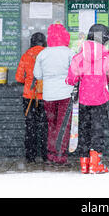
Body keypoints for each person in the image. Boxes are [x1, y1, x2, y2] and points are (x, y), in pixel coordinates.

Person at [66, 24, 109, 174]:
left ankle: (85, 164)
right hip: (100, 99)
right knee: (98, 130)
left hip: (83, 99)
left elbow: (71, 78)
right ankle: (96, 164)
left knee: (83, 130)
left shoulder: (79, 56)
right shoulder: (107, 57)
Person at [34, 23, 75, 166]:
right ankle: (61, 156)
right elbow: (75, 73)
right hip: (65, 93)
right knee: (63, 126)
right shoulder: (69, 52)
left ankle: (51, 155)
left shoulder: (43, 53)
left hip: (48, 95)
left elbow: (37, 75)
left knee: (51, 125)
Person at [15, 32, 47, 164]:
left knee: (30, 127)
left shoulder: (26, 55)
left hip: (29, 96)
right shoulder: (47, 54)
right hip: (46, 95)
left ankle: (30, 156)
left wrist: (28, 81)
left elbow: (18, 77)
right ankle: (46, 155)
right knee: (46, 127)